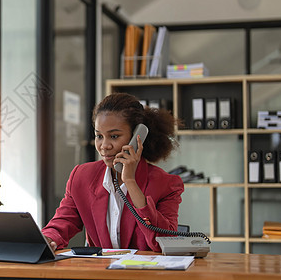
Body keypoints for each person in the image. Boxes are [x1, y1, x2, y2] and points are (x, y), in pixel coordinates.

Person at [42, 92, 183, 252]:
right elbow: (63, 223)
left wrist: (130, 181)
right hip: (100, 274)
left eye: (114, 136)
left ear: (138, 138)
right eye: (99, 136)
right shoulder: (82, 176)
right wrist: (48, 239)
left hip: (144, 275)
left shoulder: (166, 184)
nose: (104, 146)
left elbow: (166, 242)